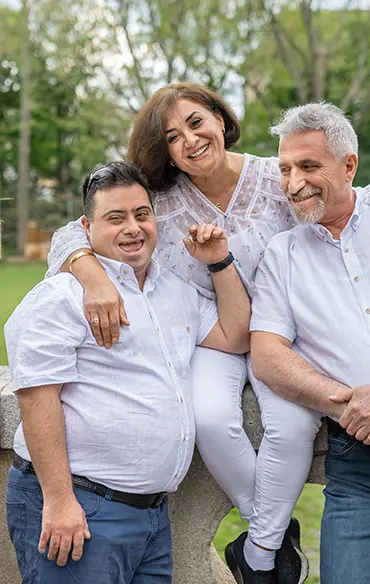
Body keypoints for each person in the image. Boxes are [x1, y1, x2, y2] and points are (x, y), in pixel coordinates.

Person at [47, 83, 321, 583]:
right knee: (211, 420)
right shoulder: (160, 199)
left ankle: (258, 552)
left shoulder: (275, 177)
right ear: (165, 152)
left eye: (196, 122)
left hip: (285, 335)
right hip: (211, 333)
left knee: (295, 426)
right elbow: (75, 230)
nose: (190, 141)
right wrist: (90, 275)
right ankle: (275, 535)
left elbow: (333, 207)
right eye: (173, 137)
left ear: (219, 118)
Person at [4, 160, 250, 584]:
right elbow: (36, 397)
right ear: (86, 226)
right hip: (83, 509)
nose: (132, 228)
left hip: (152, 518)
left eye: (141, 214)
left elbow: (235, 334)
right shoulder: (62, 296)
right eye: (115, 218)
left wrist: (219, 262)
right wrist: (60, 501)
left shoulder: (173, 288)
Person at [249, 102, 370, 584]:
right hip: (355, 466)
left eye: (307, 166)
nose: (292, 181)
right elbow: (268, 356)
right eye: (284, 169)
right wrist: (349, 406)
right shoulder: (283, 253)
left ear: (348, 165)